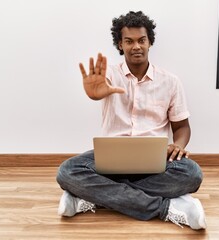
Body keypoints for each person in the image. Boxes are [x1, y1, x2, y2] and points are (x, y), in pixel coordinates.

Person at [56, 11, 206, 230]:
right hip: (111, 160)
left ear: (149, 42)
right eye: (129, 41)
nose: (136, 46)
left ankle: (90, 197)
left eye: (141, 40)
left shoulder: (170, 82)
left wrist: (178, 145)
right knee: (67, 172)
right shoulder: (108, 75)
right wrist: (95, 93)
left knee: (192, 174)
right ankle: (167, 207)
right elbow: (97, 91)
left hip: (156, 160)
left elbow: (182, 126)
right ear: (120, 44)